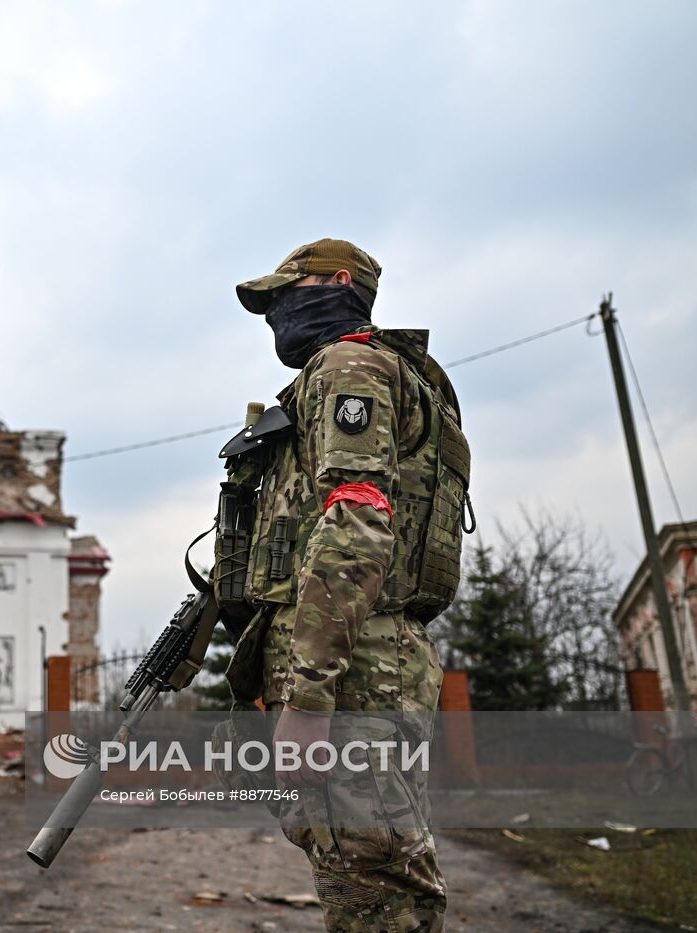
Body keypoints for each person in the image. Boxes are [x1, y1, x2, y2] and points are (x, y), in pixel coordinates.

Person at [221, 239, 471, 931]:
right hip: (361, 664)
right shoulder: (343, 375)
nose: (277, 313)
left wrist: (308, 695)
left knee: (374, 886)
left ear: (339, 282)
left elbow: (357, 518)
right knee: (365, 870)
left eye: (286, 294)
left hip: (355, 672)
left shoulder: (351, 364)